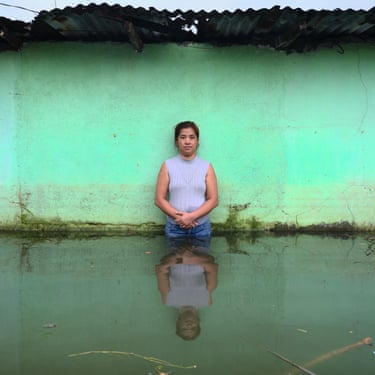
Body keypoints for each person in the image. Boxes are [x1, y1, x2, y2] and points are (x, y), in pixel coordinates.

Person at [154, 121, 218, 239]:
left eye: (192, 137)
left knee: (202, 256)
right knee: (173, 257)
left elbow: (213, 200)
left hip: (201, 228)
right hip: (174, 228)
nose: (187, 141)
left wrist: (191, 217)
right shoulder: (167, 165)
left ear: (197, 141)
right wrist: (181, 219)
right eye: (183, 137)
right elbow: (159, 199)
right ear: (176, 141)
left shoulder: (207, 166)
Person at [155, 242, 218, 340]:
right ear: (198, 322)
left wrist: (182, 257)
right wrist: (191, 258)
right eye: (193, 328)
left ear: (177, 322)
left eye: (184, 329)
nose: (189, 326)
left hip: (175, 243)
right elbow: (212, 266)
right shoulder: (207, 300)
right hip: (200, 244)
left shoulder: (168, 300)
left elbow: (161, 268)